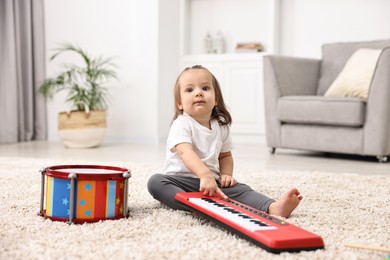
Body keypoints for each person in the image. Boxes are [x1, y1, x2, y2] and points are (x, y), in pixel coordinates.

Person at [147, 65, 302, 218]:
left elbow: (225, 156)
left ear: (216, 99)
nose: (199, 93)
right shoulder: (181, 123)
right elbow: (185, 151)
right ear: (179, 103)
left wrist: (226, 175)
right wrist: (204, 175)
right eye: (190, 90)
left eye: (205, 88)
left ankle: (273, 207)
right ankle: (196, 205)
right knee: (155, 182)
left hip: (212, 184)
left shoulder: (220, 126)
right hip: (180, 182)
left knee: (241, 189)